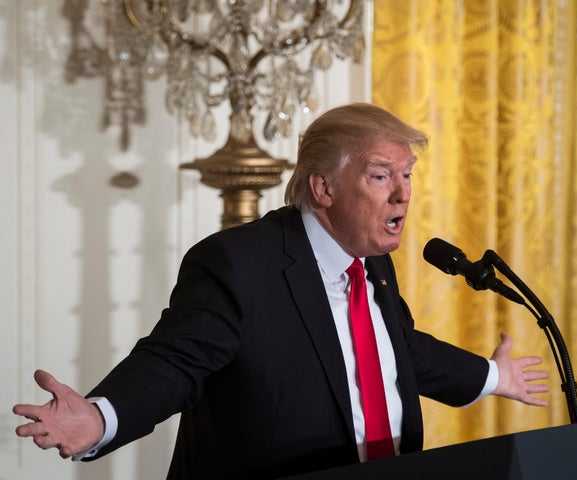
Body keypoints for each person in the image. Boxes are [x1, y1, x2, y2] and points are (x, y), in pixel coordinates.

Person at [13, 103, 549, 479]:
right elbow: (175, 363)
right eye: (382, 177)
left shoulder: (373, 267)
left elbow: (397, 348)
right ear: (323, 188)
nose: (403, 195)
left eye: (407, 176)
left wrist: (490, 375)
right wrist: (101, 417)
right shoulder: (239, 263)